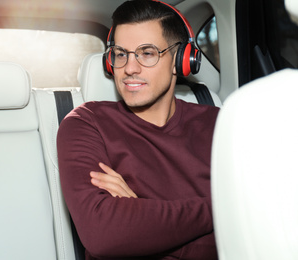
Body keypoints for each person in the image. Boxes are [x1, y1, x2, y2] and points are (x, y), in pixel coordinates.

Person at [57, 0, 219, 259]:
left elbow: (263, 214)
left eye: (147, 52)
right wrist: (220, 210)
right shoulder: (86, 123)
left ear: (181, 60)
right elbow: (103, 235)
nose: (130, 68)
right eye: (121, 54)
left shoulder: (220, 125)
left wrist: (142, 215)